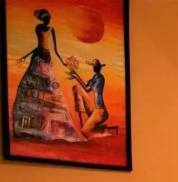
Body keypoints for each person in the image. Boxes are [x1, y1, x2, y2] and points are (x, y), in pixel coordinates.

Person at [10, 9, 84, 142]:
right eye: (46, 18)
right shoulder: (38, 27)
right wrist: (26, 55)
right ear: (43, 19)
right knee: (33, 81)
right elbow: (38, 44)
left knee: (48, 82)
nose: (48, 20)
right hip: (38, 54)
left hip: (46, 54)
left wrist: (62, 61)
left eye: (48, 18)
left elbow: (55, 49)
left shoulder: (51, 29)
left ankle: (48, 122)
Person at [69, 59, 111, 138]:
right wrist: (76, 75)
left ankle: (101, 132)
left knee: (84, 132)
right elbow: (86, 86)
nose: (94, 68)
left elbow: (87, 89)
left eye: (95, 67)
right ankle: (101, 129)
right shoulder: (96, 77)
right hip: (97, 110)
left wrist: (76, 77)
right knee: (87, 129)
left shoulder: (99, 78)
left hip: (100, 111)